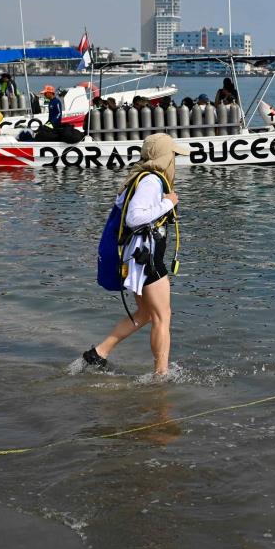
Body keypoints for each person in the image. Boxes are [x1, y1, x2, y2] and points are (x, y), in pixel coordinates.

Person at [83, 133, 191, 376]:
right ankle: (161, 376)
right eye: (172, 155)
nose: (174, 160)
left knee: (145, 314)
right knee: (163, 316)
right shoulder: (151, 180)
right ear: (164, 157)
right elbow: (134, 218)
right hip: (147, 259)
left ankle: (98, 354)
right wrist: (169, 203)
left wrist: (162, 203)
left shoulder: (140, 178)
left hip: (137, 257)